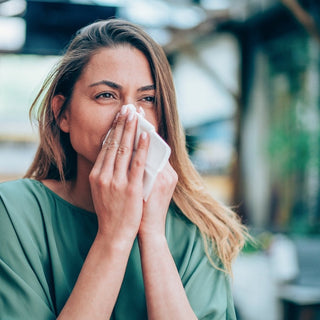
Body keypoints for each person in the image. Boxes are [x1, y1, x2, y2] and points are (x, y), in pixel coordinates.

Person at [0, 18, 247, 319]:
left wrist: (152, 235)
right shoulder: (12, 213)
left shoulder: (198, 229)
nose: (130, 116)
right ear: (62, 113)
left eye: (147, 99)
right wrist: (114, 236)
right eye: (106, 95)